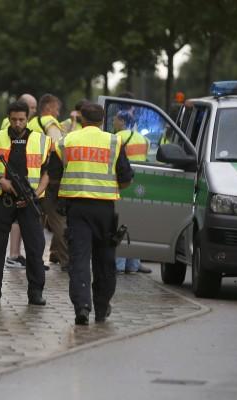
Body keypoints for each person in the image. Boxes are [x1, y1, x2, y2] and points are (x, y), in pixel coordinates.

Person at [51, 102, 133, 325]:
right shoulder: (114, 142)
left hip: (76, 209)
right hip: (104, 210)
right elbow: (125, 180)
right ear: (102, 119)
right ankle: (102, 306)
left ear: (81, 119)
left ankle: (82, 307)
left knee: (79, 259)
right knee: (105, 261)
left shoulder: (66, 142)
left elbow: (55, 175)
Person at [0, 100, 51, 306]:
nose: (18, 123)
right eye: (14, 119)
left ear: (28, 119)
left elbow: (49, 172)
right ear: (8, 119)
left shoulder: (41, 140)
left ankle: (35, 292)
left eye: (21, 119)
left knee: (35, 248)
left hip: (30, 202)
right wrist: (1, 181)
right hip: (4, 200)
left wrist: (36, 194)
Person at [28, 94, 69, 270]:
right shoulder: (50, 123)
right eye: (56, 109)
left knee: (37, 222)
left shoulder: (31, 124)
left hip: (32, 177)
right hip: (51, 178)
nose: (58, 113)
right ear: (49, 108)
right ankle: (67, 261)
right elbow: (60, 148)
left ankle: (36, 259)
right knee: (59, 221)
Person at [112, 110, 151, 274]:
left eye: (115, 119)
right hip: (139, 184)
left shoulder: (118, 137)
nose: (113, 122)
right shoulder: (144, 139)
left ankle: (118, 265)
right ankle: (133, 265)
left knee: (121, 223)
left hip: (124, 182)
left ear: (121, 121)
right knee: (135, 224)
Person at [2, 94, 37, 269]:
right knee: (13, 225)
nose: (17, 123)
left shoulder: (35, 132)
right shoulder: (3, 132)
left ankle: (19, 256)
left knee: (34, 240)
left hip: (30, 191)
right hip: (7, 192)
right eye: (32, 107)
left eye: (21, 119)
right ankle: (14, 255)